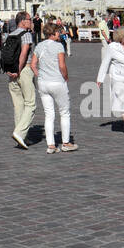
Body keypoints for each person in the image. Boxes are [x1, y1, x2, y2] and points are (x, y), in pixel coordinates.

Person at [32, 20, 77, 153]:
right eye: (58, 31)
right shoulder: (58, 46)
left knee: (49, 114)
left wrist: (39, 75)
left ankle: (51, 145)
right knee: (64, 112)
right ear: (54, 33)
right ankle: (66, 142)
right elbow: (62, 65)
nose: (60, 33)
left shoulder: (39, 46)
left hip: (43, 83)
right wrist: (66, 77)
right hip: (57, 81)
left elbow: (33, 64)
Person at [1, 11, 36, 149]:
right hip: (23, 71)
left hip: (11, 73)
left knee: (18, 105)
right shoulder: (26, 35)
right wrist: (18, 70)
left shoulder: (11, 35)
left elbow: (5, 55)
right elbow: (23, 53)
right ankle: (20, 132)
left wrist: (9, 70)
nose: (31, 21)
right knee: (31, 104)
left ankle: (22, 137)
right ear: (22, 21)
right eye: (29, 19)